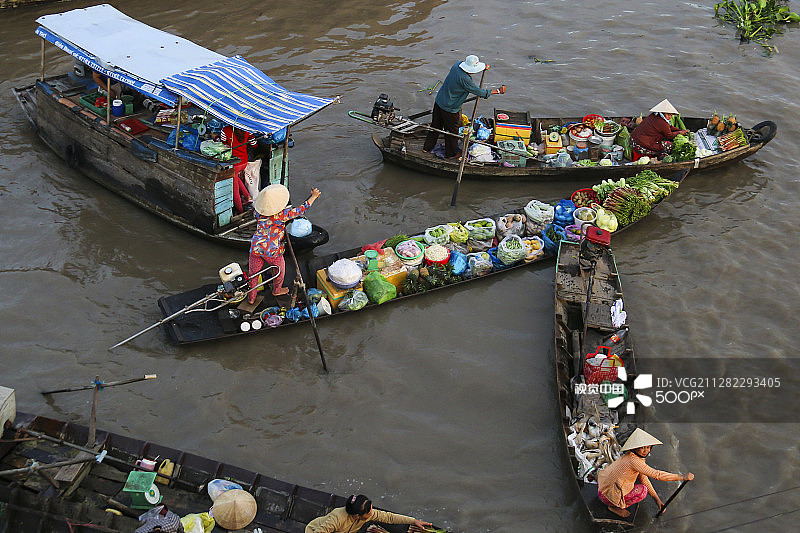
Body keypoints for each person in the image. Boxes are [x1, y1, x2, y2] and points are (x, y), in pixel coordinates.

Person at [247, 184, 320, 304]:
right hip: (272, 251)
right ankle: (277, 289)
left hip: (256, 247)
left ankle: (251, 297)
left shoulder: (258, 213)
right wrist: (314, 196)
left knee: (253, 274)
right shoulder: (281, 215)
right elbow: (301, 209)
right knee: (279, 269)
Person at [422, 54, 505, 159]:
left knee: (435, 126)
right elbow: (479, 92)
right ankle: (451, 154)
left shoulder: (456, 65)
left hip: (439, 100)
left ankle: (427, 147)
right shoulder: (465, 80)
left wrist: (484, 66)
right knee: (453, 131)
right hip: (450, 108)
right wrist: (498, 91)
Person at [597, 428, 694, 518]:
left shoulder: (631, 456)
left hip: (602, 488)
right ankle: (615, 506)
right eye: (642, 448)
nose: (645, 451)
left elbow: (643, 478)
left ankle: (615, 502)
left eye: (648, 447)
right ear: (635, 448)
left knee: (639, 483)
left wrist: (657, 500)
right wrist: (682, 477)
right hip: (606, 496)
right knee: (642, 491)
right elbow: (657, 475)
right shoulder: (634, 461)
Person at [305, 494, 431, 533]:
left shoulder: (368, 514)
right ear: (356, 516)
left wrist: (413, 521)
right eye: (369, 511)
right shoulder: (337, 519)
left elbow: (389, 517)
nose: (372, 513)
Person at [220, 125, 258, 214]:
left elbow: (222, 145)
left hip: (234, 164)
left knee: (235, 191)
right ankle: (247, 196)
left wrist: (216, 138)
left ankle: (240, 211)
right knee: (235, 177)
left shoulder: (225, 130)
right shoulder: (248, 130)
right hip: (244, 161)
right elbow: (254, 145)